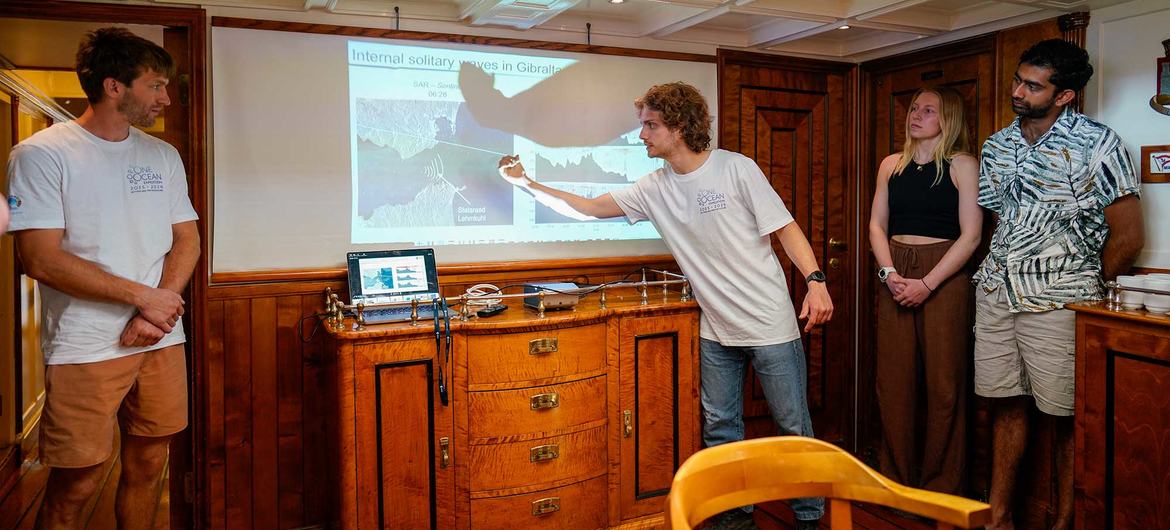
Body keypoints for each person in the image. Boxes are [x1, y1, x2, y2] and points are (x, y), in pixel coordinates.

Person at [498, 81, 832, 530]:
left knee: (792, 429)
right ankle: (734, 517)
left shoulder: (736, 169)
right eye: (642, 126)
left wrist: (815, 283)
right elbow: (589, 209)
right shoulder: (653, 187)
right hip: (716, 330)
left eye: (650, 125)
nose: (642, 136)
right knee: (720, 430)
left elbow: (786, 228)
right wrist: (526, 184)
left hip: (770, 324)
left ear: (679, 126)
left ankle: (810, 519)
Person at [6, 28, 199, 530]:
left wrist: (157, 314)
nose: (167, 98)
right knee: (79, 482)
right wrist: (146, 300)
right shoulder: (42, 155)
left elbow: (187, 240)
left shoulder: (163, 156)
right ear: (114, 87)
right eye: (156, 86)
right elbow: (41, 259)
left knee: (150, 464)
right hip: (85, 345)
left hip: (161, 338)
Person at [974, 39, 1143, 530]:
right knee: (1004, 405)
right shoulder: (997, 145)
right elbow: (997, 222)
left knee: (1069, 416)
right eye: (1017, 80)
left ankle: (1066, 523)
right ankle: (998, 519)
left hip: (1062, 301)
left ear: (1064, 95)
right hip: (998, 294)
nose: (1018, 91)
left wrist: (1083, 284)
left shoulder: (1099, 144)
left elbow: (1128, 235)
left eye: (1032, 85)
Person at [868, 86, 981, 496]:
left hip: (945, 274)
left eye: (928, 110)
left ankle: (940, 487)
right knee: (894, 382)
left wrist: (928, 284)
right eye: (915, 108)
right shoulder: (891, 165)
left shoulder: (962, 164)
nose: (916, 115)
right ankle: (896, 483)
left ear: (947, 118)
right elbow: (877, 224)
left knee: (944, 384)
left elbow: (971, 237)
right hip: (895, 271)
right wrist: (889, 273)